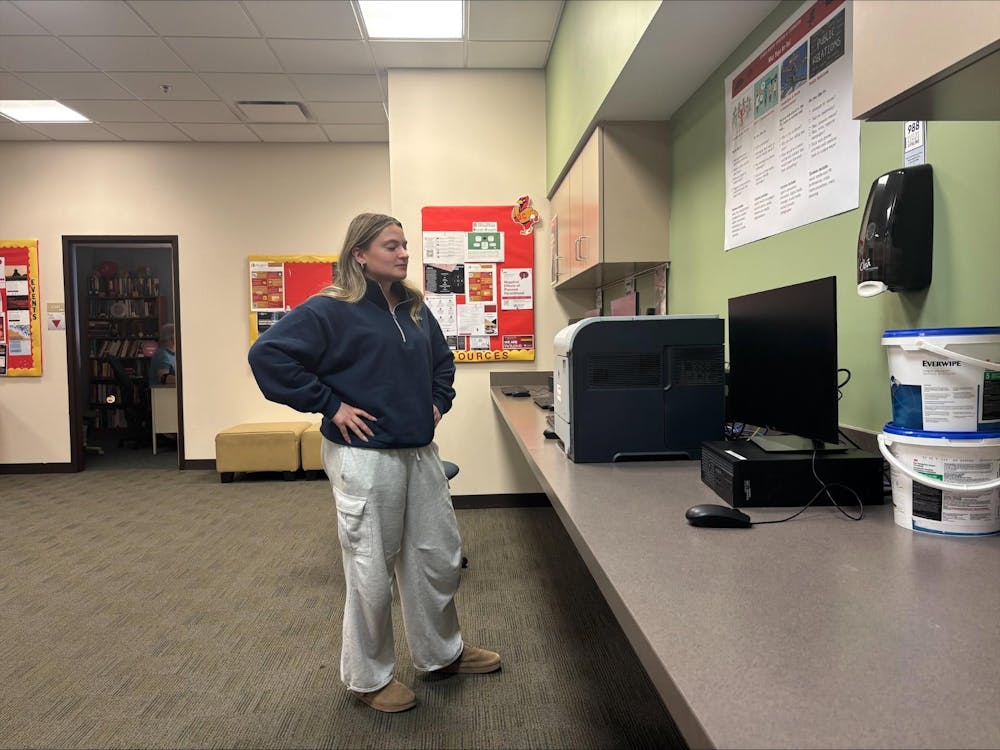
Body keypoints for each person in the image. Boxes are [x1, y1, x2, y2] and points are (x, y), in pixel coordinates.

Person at [247, 213, 500, 713]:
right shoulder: (329, 309)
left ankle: (441, 654)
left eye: (405, 245)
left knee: (437, 556)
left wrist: (438, 400)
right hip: (364, 457)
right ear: (359, 254)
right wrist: (329, 403)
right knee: (370, 570)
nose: (404, 253)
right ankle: (368, 679)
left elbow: (441, 362)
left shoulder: (413, 307)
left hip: (419, 452)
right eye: (391, 245)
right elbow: (268, 355)